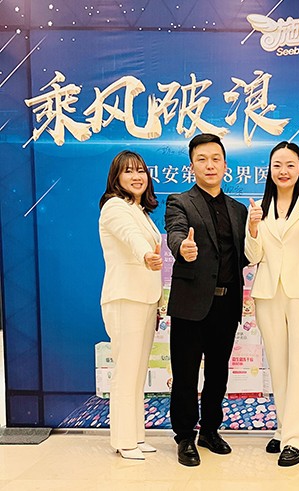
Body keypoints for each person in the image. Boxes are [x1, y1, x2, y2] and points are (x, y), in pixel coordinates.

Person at [165, 133, 248, 467]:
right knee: (185, 374)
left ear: (225, 165)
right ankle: (185, 436)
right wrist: (181, 247)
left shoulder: (239, 210)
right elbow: (175, 231)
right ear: (192, 166)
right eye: (202, 159)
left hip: (227, 304)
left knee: (217, 373)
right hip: (191, 303)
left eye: (215, 159)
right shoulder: (180, 202)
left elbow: (245, 254)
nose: (209, 165)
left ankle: (210, 430)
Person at [245, 142, 299, 467]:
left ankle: (297, 440)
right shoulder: (258, 208)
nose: (283, 171)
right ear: (269, 170)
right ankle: (284, 429)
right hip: (268, 293)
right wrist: (253, 229)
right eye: (277, 165)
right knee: (278, 364)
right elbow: (252, 256)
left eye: (290, 165)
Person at [99, 150, 163, 460]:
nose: (136, 177)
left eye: (140, 171)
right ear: (117, 178)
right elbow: (131, 238)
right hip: (125, 298)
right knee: (126, 371)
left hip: (145, 299)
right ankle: (123, 440)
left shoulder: (139, 210)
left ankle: (136, 435)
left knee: (138, 372)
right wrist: (146, 256)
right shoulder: (114, 206)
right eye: (128, 171)